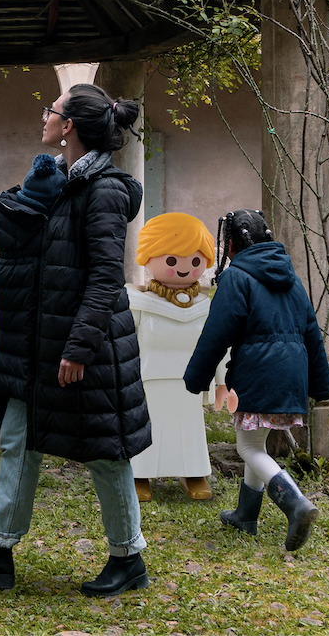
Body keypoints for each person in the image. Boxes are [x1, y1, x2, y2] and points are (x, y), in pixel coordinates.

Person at [0, 83, 152, 596]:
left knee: (105, 451)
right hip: (36, 348)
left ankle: (129, 558)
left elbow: (105, 275)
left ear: (70, 126)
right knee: (18, 440)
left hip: (84, 349)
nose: (44, 118)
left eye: (51, 112)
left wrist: (78, 348)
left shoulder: (102, 190)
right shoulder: (63, 183)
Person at [183, 209, 329, 552]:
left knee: (247, 447)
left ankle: (295, 504)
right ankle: (245, 516)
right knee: (257, 444)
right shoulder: (291, 278)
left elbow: (216, 334)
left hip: (256, 374)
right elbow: (312, 333)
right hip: (290, 377)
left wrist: (195, 379)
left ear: (233, 244)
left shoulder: (237, 277)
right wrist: (322, 388)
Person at [129, 212, 217, 502]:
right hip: (149, 376)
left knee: (189, 428)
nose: (183, 268)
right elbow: (126, 343)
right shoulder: (138, 302)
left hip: (191, 379)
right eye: (171, 260)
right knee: (148, 424)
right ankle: (140, 474)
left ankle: (193, 472)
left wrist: (221, 382)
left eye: (194, 260)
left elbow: (218, 344)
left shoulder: (206, 306)